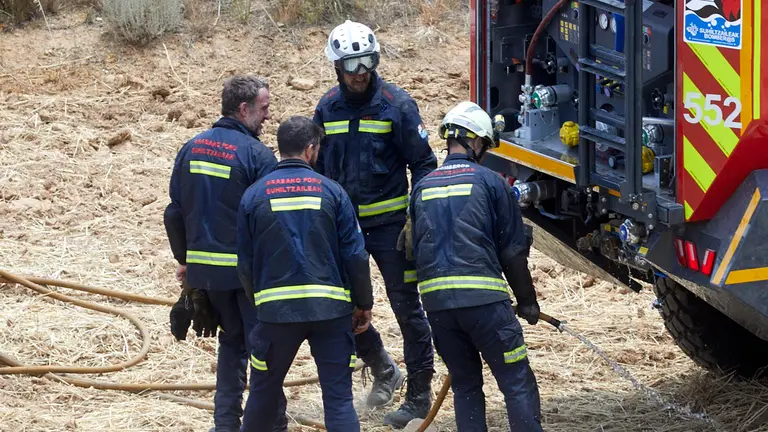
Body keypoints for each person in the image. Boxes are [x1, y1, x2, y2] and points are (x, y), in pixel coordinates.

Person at [312, 19, 437, 428]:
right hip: (344, 231)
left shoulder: (397, 104)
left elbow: (423, 165)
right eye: (351, 65)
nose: (360, 71)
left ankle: (419, 395)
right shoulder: (326, 108)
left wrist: (416, 219)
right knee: (343, 308)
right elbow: (319, 168)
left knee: (407, 309)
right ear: (337, 66)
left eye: (367, 61)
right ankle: (383, 369)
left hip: (390, 230)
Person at [403, 101, 544, 431]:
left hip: (438, 310)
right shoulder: (492, 183)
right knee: (515, 381)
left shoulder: (422, 187)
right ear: (477, 142)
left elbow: (411, 250)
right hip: (486, 308)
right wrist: (527, 301)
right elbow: (513, 252)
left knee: (466, 386)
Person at [237, 116, 375, 432]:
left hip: (276, 315)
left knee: (262, 394)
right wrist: (363, 302)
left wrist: (260, 302)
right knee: (339, 401)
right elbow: (355, 255)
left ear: (279, 149)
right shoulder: (333, 193)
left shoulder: (254, 195)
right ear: (311, 150)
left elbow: (244, 263)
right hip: (330, 312)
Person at [163, 75, 278, 432]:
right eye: (263, 109)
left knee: (230, 344)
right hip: (246, 278)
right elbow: (273, 219)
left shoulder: (191, 147)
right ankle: (272, 424)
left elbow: (174, 212)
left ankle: (225, 424)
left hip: (207, 277)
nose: (268, 117)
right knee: (264, 352)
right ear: (243, 109)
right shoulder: (258, 155)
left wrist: (186, 261)